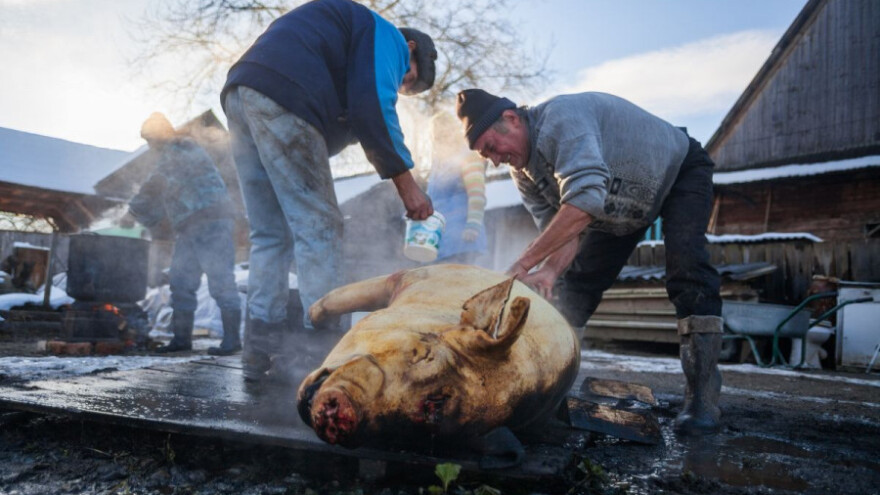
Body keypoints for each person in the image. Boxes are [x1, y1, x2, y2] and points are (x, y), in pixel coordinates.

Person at [455, 89, 724, 435]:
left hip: (678, 171)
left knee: (687, 269)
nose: (493, 160)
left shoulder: (561, 120)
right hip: (618, 206)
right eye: (484, 155)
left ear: (510, 119)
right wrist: (549, 270)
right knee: (575, 287)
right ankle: (550, 392)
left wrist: (523, 263)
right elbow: (564, 231)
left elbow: (583, 202)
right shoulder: (523, 174)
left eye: (491, 147)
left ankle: (703, 398)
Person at [220, 0, 436, 381]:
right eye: (408, 80)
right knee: (320, 224)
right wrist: (408, 187)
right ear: (412, 49)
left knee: (270, 233)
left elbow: (344, 120)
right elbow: (374, 106)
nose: (401, 86)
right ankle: (323, 348)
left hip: (241, 92)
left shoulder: (343, 37)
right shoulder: (387, 37)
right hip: (284, 95)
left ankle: (260, 345)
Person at [129, 112, 242, 356]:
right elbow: (164, 194)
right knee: (180, 281)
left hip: (212, 221)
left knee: (221, 280)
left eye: (150, 140)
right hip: (189, 226)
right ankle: (182, 339)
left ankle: (232, 340)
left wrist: (133, 210)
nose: (150, 146)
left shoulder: (181, 148)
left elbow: (156, 184)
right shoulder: (172, 154)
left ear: (160, 136)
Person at [426, 111, 488, 265]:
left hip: (463, 243)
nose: (440, 138)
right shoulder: (437, 166)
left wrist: (473, 225)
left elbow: (477, 195)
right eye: (436, 135)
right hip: (440, 245)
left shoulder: (468, 156)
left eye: (443, 132)